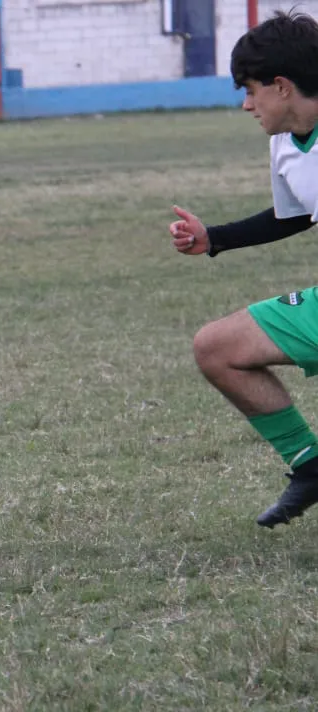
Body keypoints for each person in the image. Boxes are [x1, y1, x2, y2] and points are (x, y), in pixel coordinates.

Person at [170, 11, 318, 528]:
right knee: (217, 348)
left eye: (252, 90)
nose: (247, 103)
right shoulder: (286, 142)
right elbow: (292, 215)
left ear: (282, 86)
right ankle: (310, 465)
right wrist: (215, 239)